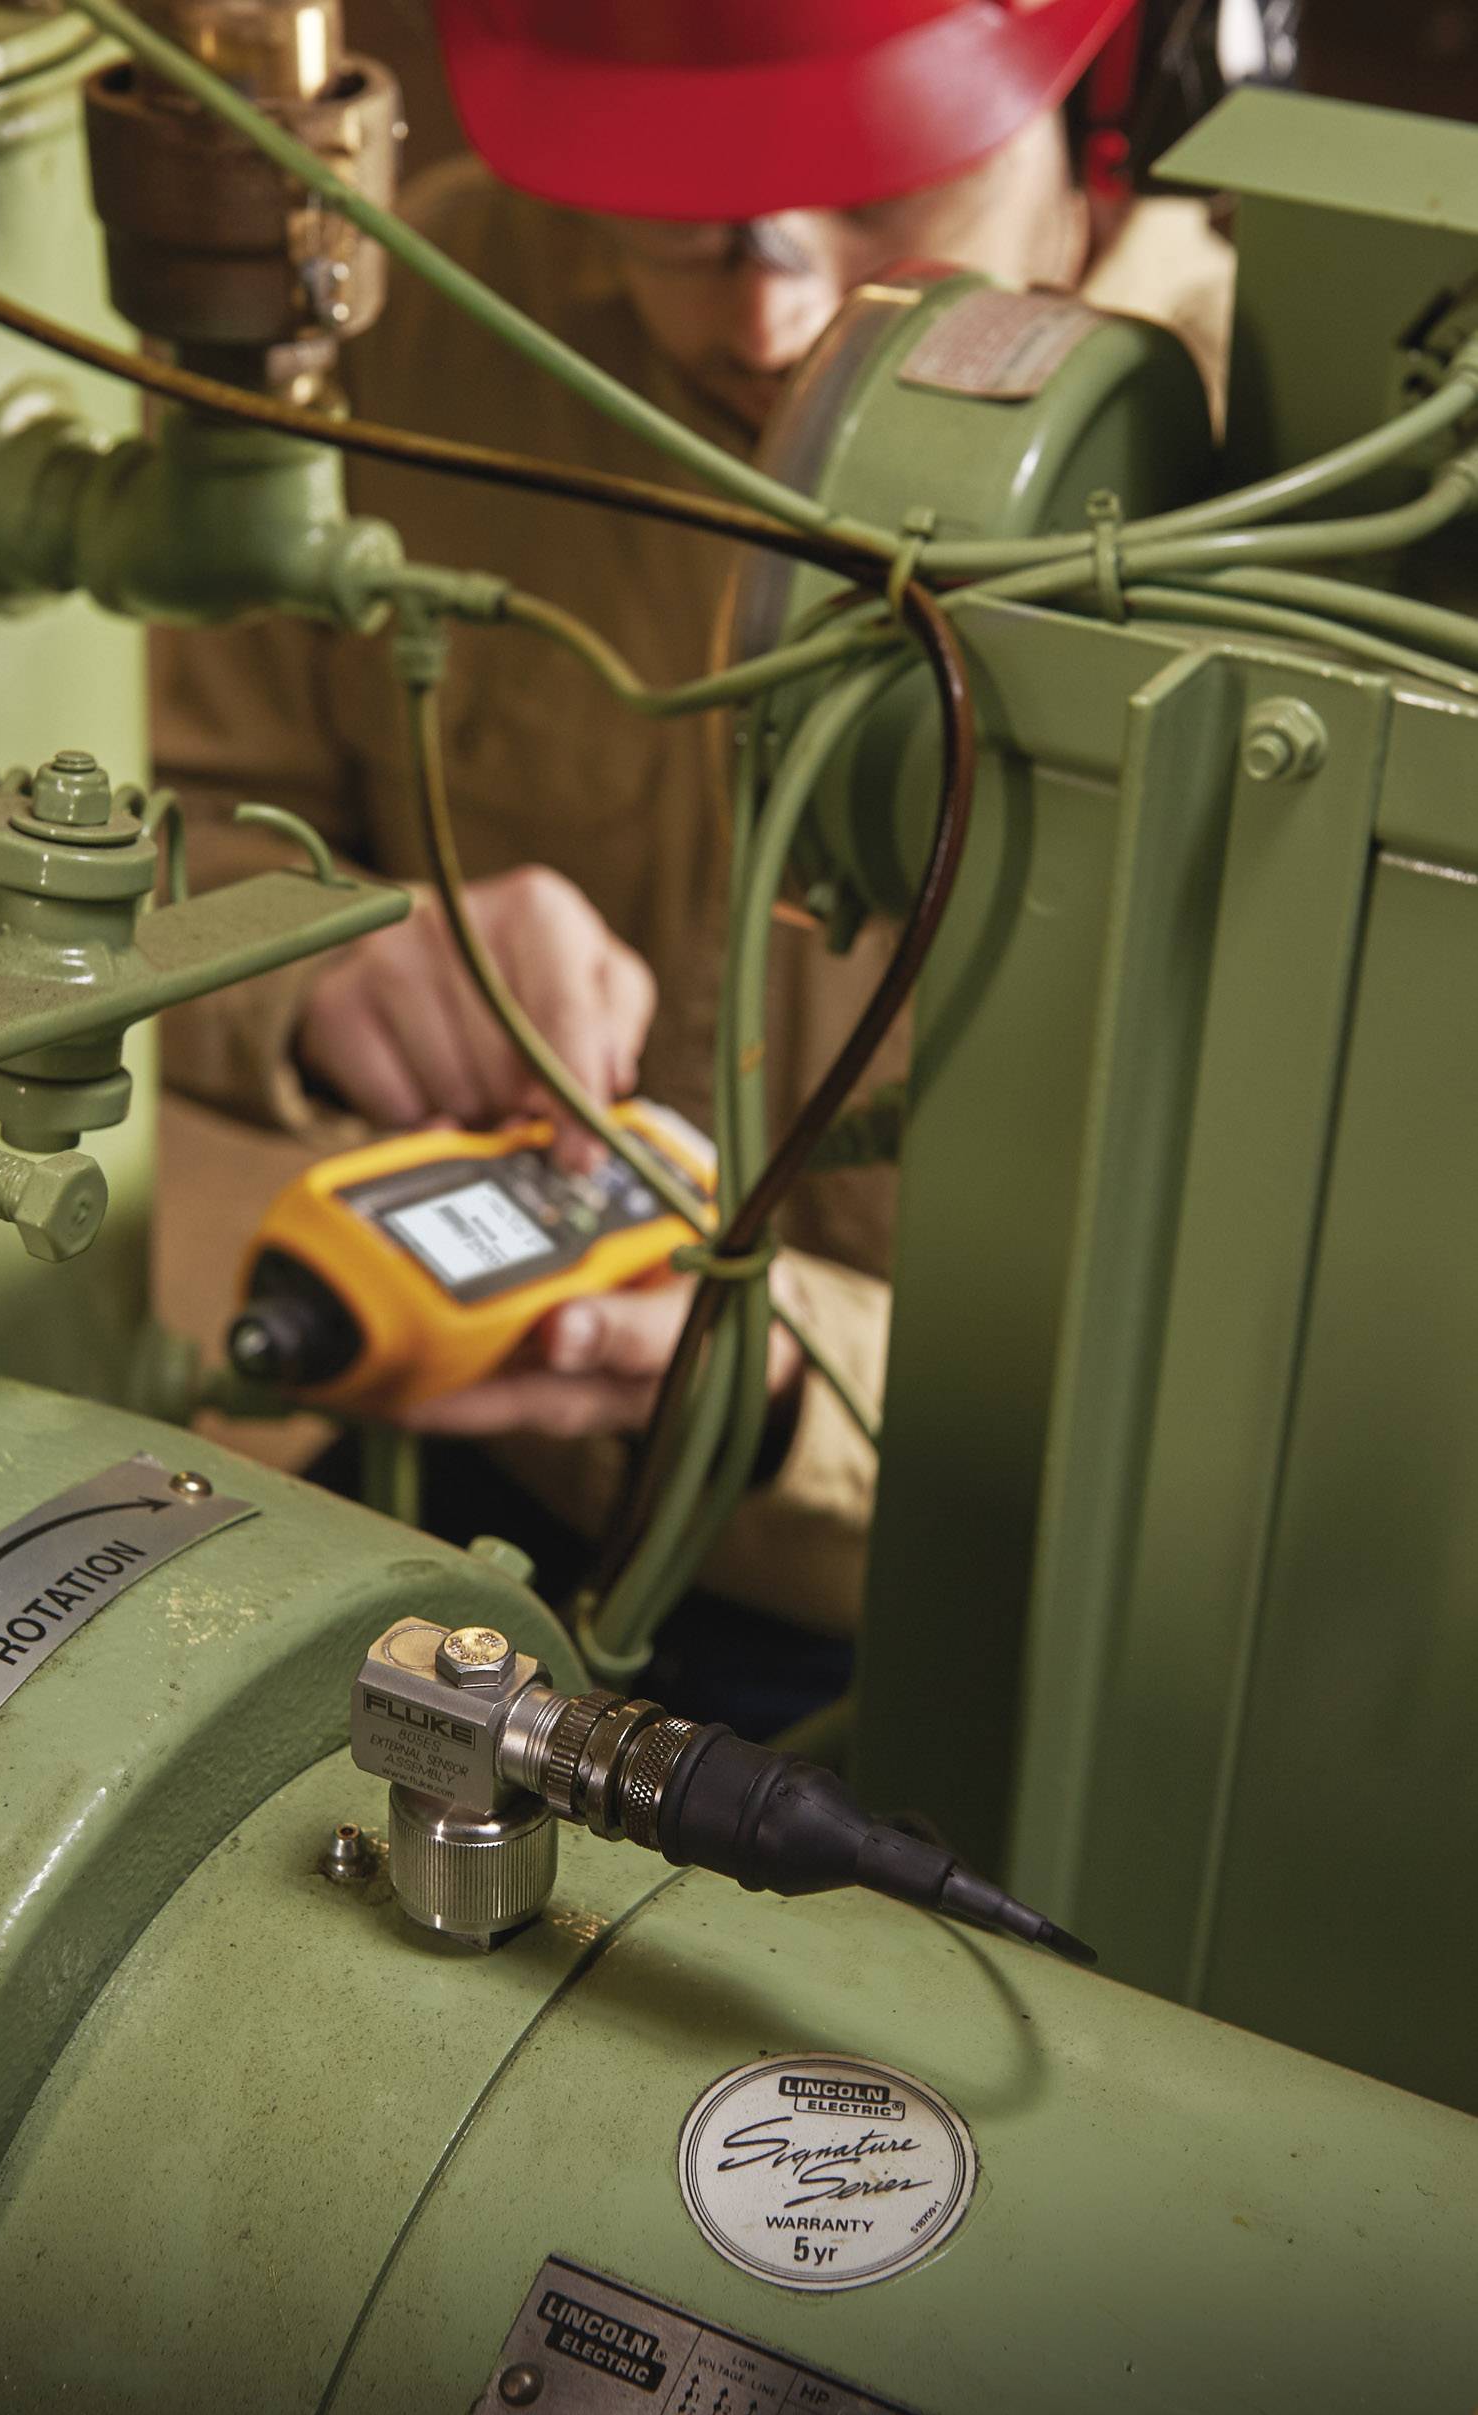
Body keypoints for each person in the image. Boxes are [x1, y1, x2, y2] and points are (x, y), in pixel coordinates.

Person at [154, 0, 1241, 1709]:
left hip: (952, 1622)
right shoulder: (429, 319)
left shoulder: (1286, 488)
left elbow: (1253, 1398)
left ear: (1111, 62)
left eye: (879, 199)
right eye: (677, 220)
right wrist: (334, 956)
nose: (774, 308)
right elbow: (149, 826)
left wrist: (780, 1379)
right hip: (457, 1482)